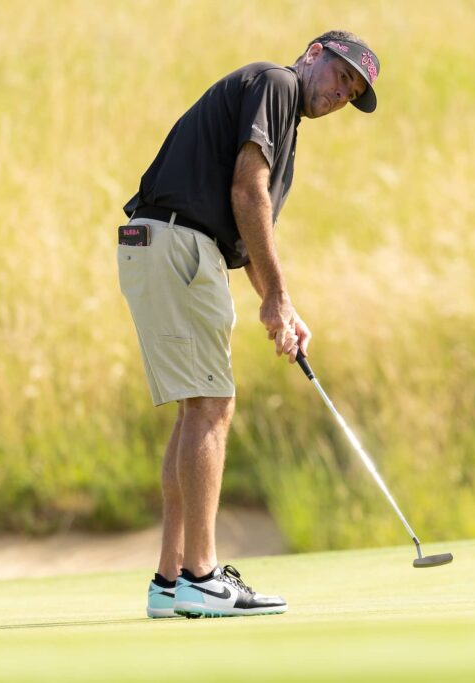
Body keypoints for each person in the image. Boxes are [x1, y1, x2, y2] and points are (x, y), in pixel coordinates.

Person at [117, 30, 381, 619]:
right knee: (212, 405)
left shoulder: (282, 119)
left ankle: (169, 579)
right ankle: (203, 576)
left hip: (161, 243)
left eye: (353, 91)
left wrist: (283, 306)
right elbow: (247, 192)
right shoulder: (277, 82)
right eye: (341, 76)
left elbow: (250, 228)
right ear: (315, 55)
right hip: (179, 244)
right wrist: (278, 296)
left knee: (197, 407)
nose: (341, 94)